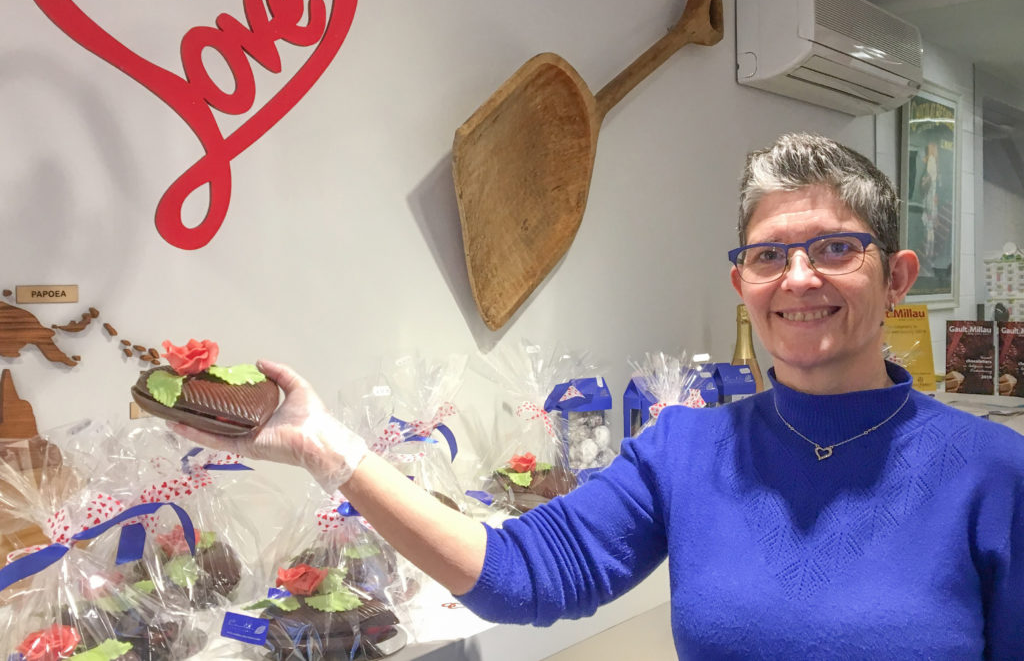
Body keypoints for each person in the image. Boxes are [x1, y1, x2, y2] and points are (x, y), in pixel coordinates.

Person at [176, 131, 1024, 659]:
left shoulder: (993, 471)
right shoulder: (685, 452)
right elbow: (522, 576)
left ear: (896, 278)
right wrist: (329, 449)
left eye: (835, 248)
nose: (798, 279)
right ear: (743, 284)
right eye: (768, 256)